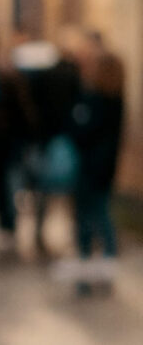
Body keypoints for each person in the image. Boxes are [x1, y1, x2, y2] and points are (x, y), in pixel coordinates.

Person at [68, 49, 124, 293]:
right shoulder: (117, 99)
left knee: (87, 221)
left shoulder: (94, 100)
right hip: (105, 168)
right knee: (101, 217)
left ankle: (87, 272)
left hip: (90, 168)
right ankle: (105, 270)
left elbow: (80, 131)